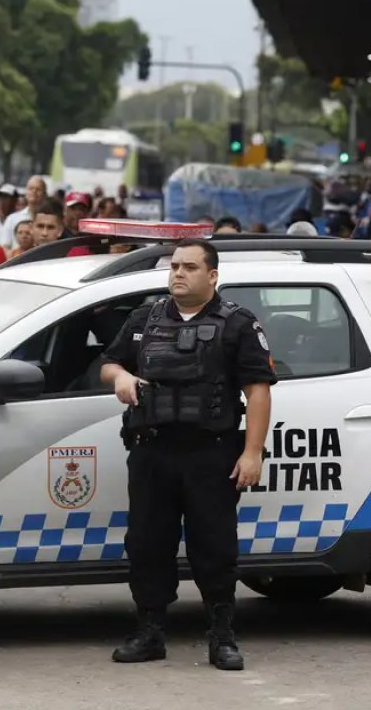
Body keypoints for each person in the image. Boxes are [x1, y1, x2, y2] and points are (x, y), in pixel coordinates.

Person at [101, 238, 275, 671]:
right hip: (151, 451)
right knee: (146, 544)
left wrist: (252, 453)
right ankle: (150, 632)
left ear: (212, 276)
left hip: (210, 454)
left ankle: (221, 636)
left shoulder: (237, 323)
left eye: (190, 267)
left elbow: (258, 391)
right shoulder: (145, 318)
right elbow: (107, 363)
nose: (178, 273)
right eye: (175, 266)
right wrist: (120, 375)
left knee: (214, 547)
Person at [0, 184, 20, 249]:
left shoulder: (19, 221)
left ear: (14, 201)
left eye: (6, 197)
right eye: (0, 197)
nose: (2, 201)